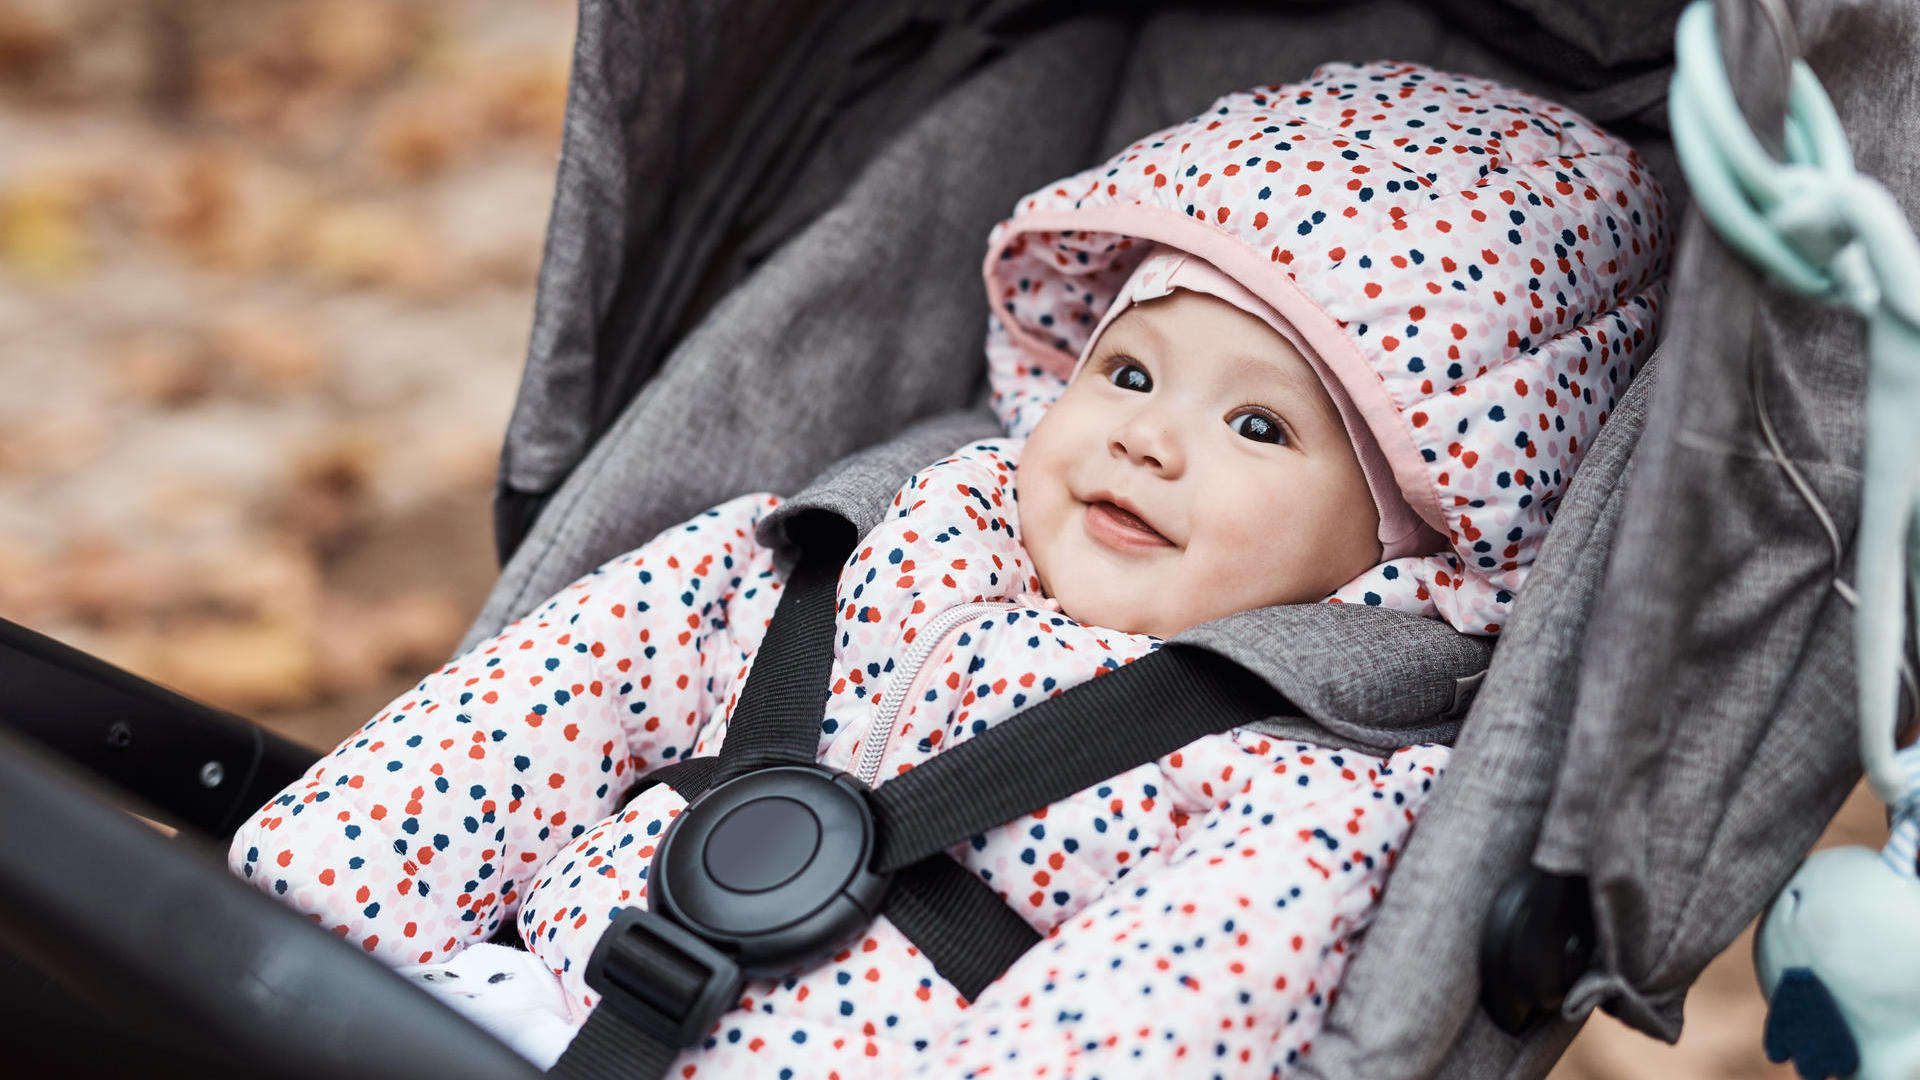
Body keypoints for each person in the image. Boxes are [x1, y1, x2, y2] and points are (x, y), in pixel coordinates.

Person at [231, 60, 1668, 1076]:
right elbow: (587, 673)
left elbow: (1147, 1023)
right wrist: (318, 905)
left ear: (1411, 543)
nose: (1149, 442)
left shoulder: (1307, 787)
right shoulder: (878, 535)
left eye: (1256, 423)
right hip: (495, 1005)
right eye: (1127, 368)